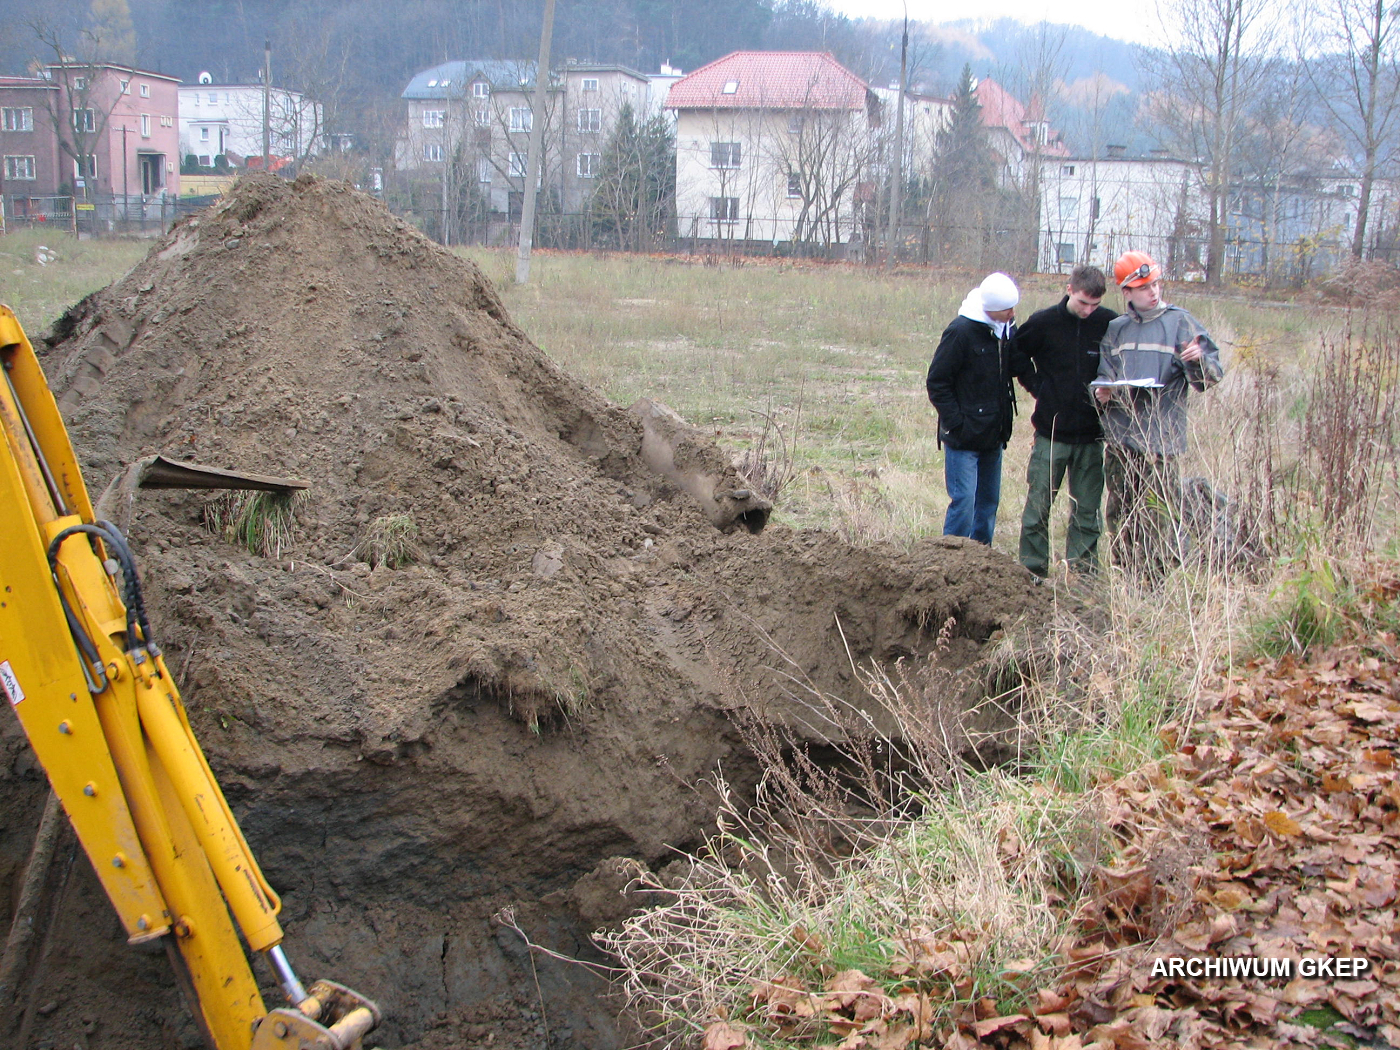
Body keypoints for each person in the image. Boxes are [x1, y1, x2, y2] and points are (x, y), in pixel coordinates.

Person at [1094, 251, 1224, 576]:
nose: (1152, 291)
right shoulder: (1116, 330)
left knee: (1159, 516)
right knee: (1120, 514)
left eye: (1155, 284)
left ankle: (1158, 581)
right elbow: (1103, 379)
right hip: (1122, 443)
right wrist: (1103, 393)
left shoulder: (1181, 323)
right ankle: (1126, 576)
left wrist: (1197, 359)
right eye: (1143, 287)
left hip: (1161, 445)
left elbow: (1210, 378)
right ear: (1126, 293)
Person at [1013, 265, 1117, 578]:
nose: (1088, 311)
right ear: (1069, 288)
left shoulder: (1109, 323)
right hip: (1051, 433)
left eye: (1094, 305)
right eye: (1083, 302)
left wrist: (1110, 390)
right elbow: (1016, 355)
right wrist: (1039, 388)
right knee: (1038, 509)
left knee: (1087, 512)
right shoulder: (1043, 322)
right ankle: (1032, 572)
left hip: (1091, 436)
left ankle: (1083, 574)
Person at [926, 272, 1019, 544]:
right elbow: (937, 382)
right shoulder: (960, 332)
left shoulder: (1005, 331)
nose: (1013, 314)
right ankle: (951, 557)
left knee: (988, 503)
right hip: (963, 437)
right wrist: (957, 423)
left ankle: (981, 561)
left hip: (994, 434)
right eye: (1007, 309)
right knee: (964, 502)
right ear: (990, 308)